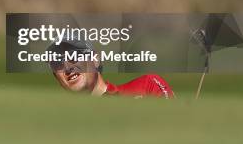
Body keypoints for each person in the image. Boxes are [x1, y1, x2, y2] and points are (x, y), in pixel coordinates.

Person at [46, 40, 174, 99]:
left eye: (73, 56)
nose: (67, 68)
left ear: (95, 60)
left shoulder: (148, 86)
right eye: (57, 63)